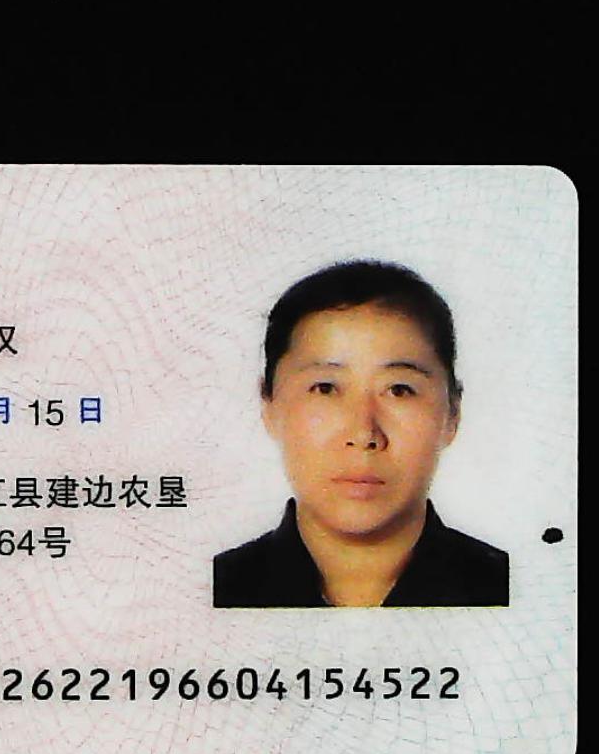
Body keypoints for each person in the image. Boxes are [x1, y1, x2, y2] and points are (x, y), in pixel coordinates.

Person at [212, 260, 509, 608]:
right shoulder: (210, 590)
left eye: (399, 390)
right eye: (325, 388)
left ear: (452, 413)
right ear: (269, 405)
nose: (364, 433)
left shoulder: (515, 590)